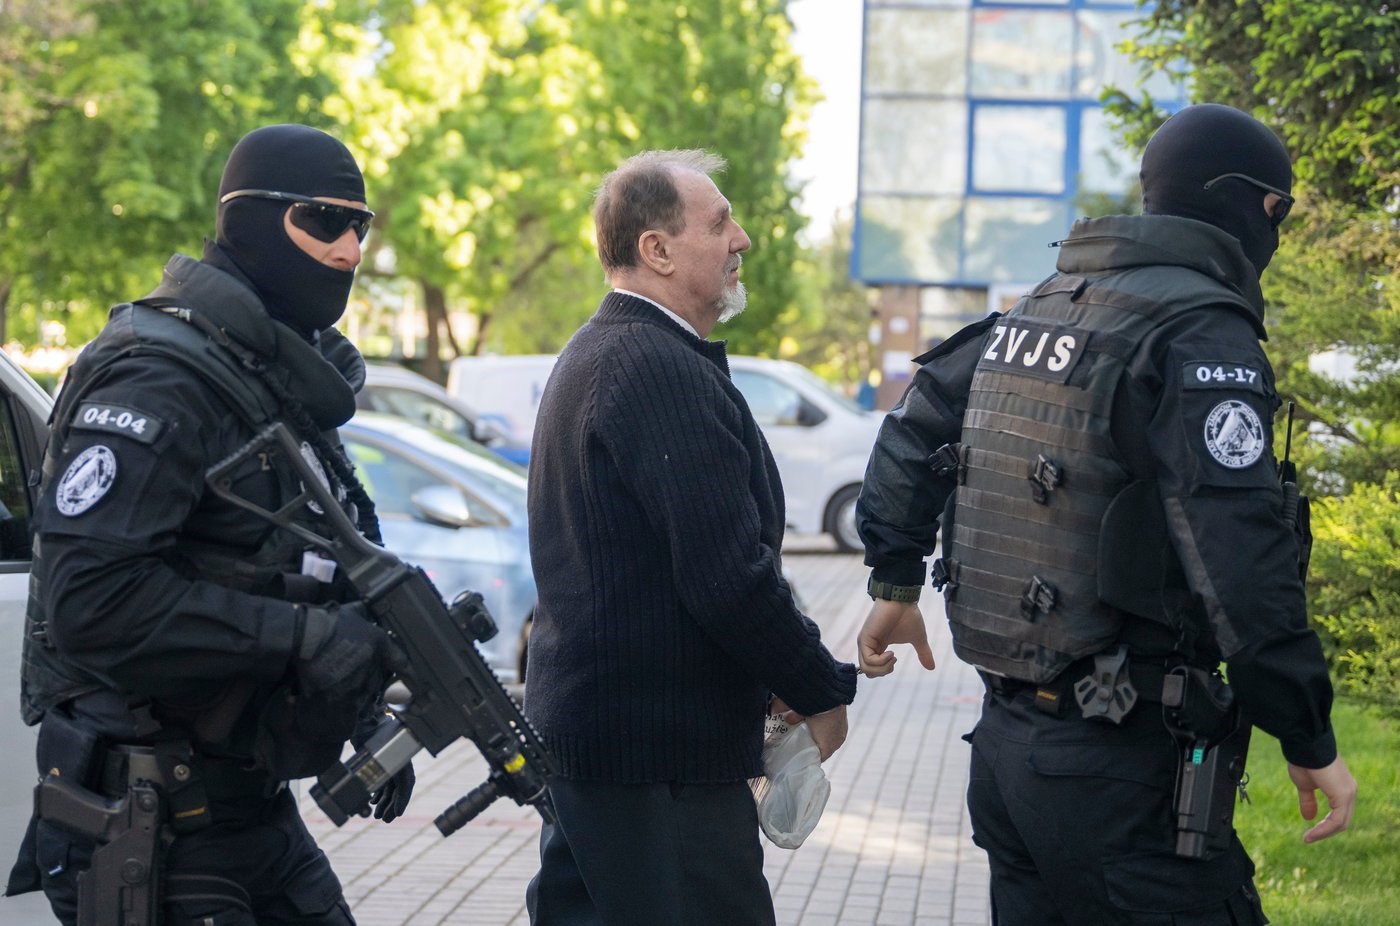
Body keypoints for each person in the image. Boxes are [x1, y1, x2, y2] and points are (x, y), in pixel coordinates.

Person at [855, 104, 1357, 924]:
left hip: (1009, 754)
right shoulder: (1196, 328)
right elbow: (1240, 560)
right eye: (1279, 209)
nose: (1278, 227)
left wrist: (895, 580)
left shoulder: (1046, 304)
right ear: (1243, 201)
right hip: (1122, 772)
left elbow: (913, 430)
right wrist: (1308, 736)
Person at [6, 124, 414, 925]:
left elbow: (277, 565)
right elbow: (93, 600)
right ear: (249, 219)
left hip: (244, 808)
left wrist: (366, 709)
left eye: (360, 226)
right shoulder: (162, 377)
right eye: (322, 220)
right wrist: (303, 637)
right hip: (151, 826)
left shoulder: (266, 375)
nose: (348, 251)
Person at [523, 149, 859, 926]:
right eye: (720, 224)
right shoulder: (653, 366)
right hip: (656, 765)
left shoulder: (607, 350)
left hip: (608, 752)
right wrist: (819, 688)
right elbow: (728, 576)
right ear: (658, 249)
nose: (742, 240)